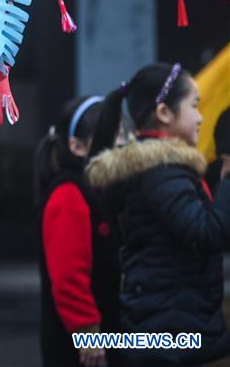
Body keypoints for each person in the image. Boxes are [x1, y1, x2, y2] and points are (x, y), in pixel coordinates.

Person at [86, 62, 230, 366]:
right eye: (194, 105)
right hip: (172, 334)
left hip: (170, 324)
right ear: (165, 113)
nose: (201, 117)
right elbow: (208, 232)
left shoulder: (164, 171)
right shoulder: (162, 172)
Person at [37, 96, 122, 367]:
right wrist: (88, 333)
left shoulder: (95, 190)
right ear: (76, 145)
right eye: (111, 134)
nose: (120, 142)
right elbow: (68, 277)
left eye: (120, 131)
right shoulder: (68, 194)